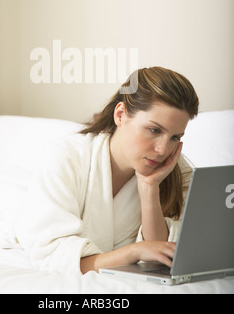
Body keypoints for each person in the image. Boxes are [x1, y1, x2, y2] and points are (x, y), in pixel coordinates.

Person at [15, 66, 199, 275]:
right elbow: (55, 257)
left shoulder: (175, 170)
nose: (163, 149)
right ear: (120, 115)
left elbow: (161, 259)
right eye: (154, 130)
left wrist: (150, 188)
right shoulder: (64, 158)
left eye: (175, 137)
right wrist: (134, 252)